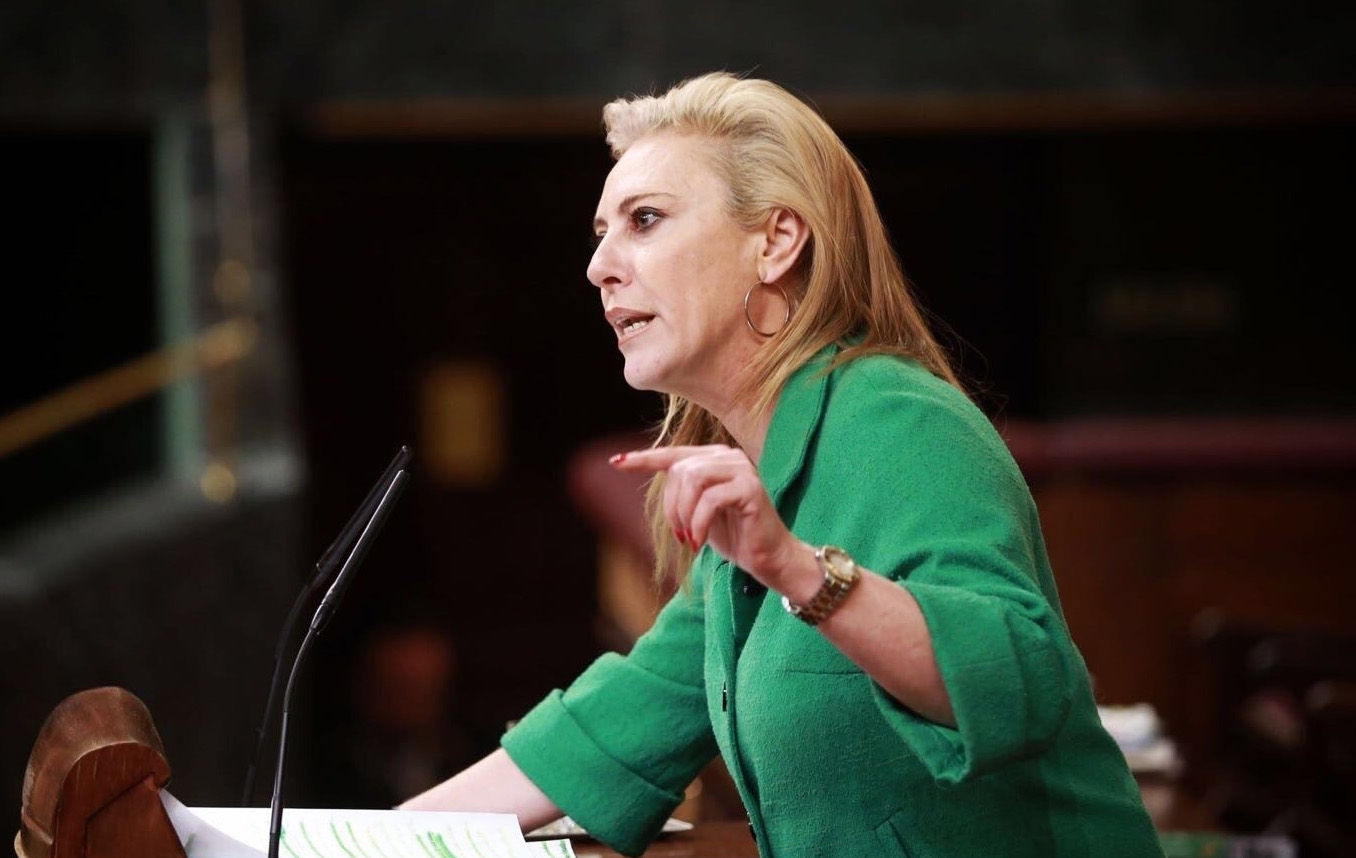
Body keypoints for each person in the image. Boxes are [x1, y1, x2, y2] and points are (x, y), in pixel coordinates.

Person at [401, 72, 1164, 858]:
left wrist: (797, 570)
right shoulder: (762, 476)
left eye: (646, 220)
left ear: (775, 242)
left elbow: (1016, 680)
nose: (599, 265)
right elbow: (613, 729)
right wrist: (352, 842)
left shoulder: (898, 421)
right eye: (601, 231)